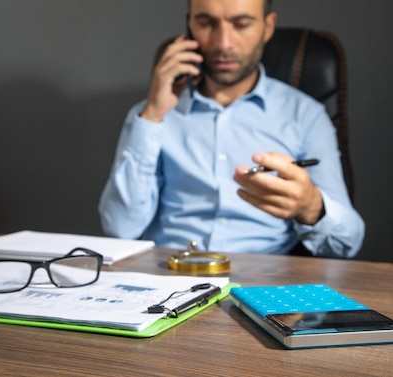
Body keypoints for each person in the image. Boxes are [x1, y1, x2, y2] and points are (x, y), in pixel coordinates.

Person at [98, 0, 364, 258]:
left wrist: (312, 207)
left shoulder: (306, 116)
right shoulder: (150, 114)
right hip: (166, 273)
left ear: (267, 27)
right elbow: (119, 228)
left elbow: (347, 243)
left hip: (259, 280)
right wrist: (152, 115)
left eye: (241, 24)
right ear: (189, 25)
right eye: (206, 23)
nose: (223, 43)